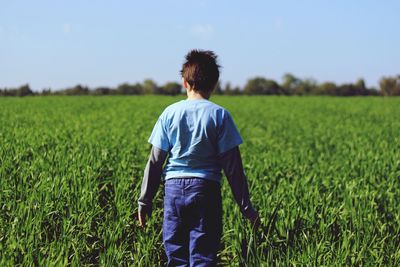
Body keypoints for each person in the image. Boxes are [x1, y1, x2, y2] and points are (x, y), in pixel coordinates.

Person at [137, 49, 260, 266]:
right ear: (214, 84)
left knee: (175, 256)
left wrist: (144, 201)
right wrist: (246, 207)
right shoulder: (220, 115)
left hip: (173, 190)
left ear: (185, 82)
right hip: (206, 190)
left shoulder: (169, 113)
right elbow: (233, 169)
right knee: (203, 256)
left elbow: (155, 162)